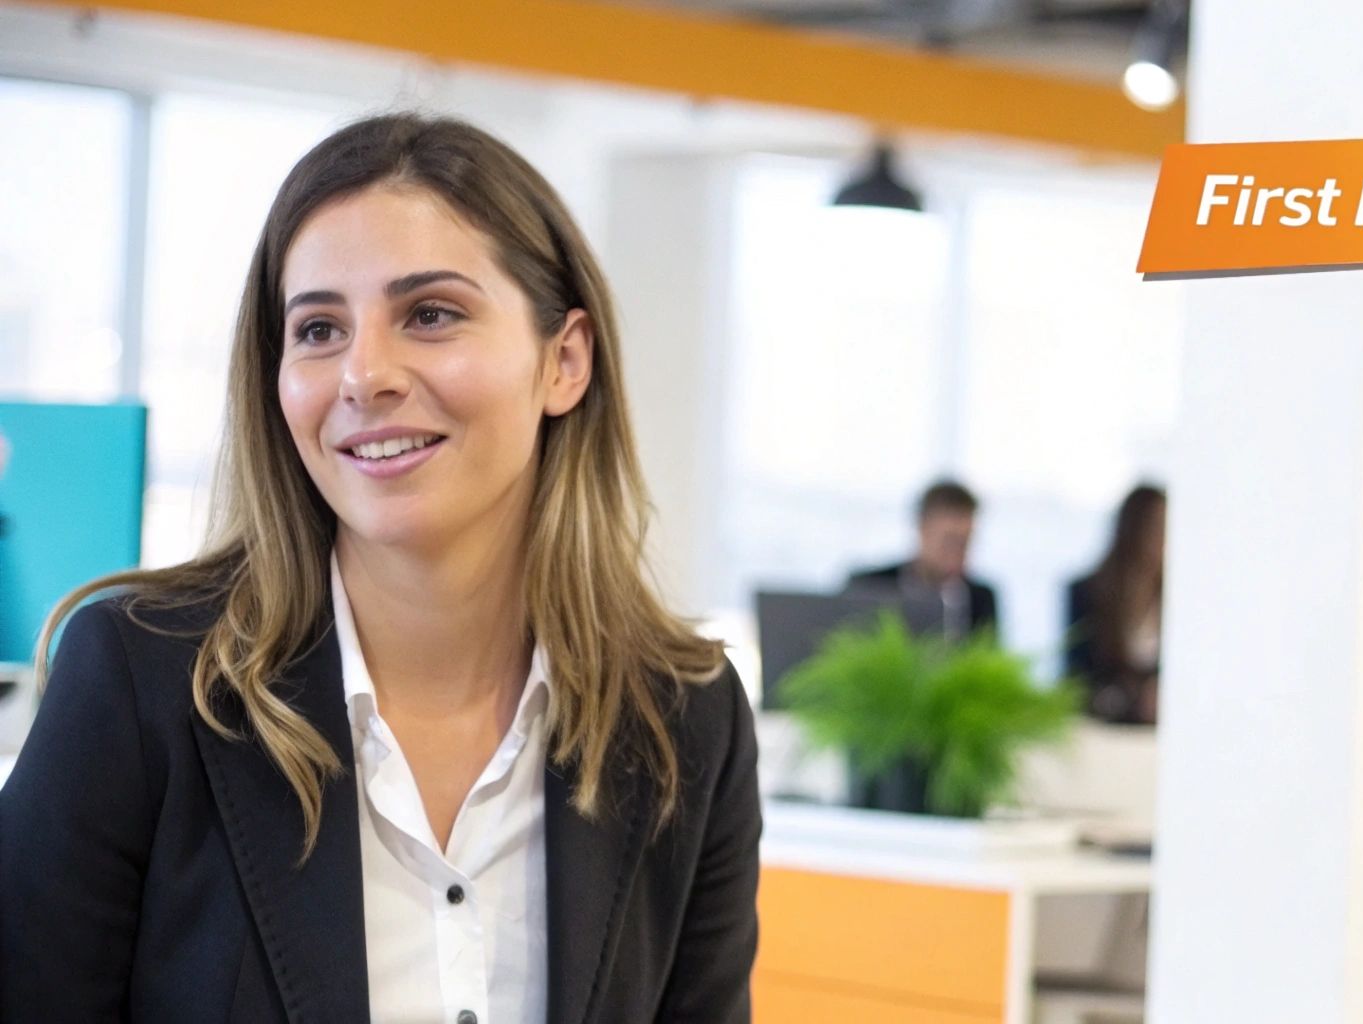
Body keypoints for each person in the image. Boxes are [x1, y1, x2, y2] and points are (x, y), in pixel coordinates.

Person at [0, 114, 760, 1023]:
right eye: (318, 328)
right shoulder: (141, 684)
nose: (364, 375)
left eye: (431, 314)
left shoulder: (684, 722)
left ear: (564, 361)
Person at [848, 479, 999, 641]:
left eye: (964, 543)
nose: (957, 553)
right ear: (922, 529)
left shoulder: (980, 599)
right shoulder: (869, 586)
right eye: (949, 541)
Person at [1066, 484, 1167, 725]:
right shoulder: (1088, 592)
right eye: (1157, 528)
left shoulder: (1177, 601)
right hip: (1105, 728)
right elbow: (1077, 678)